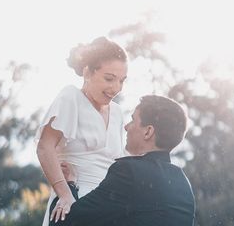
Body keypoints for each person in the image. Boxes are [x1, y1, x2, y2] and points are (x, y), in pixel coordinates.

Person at [50, 95, 195, 226]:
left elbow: (66, 223)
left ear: (148, 132)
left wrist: (70, 185)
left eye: (133, 120)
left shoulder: (129, 172)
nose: (126, 127)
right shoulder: (183, 183)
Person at [36, 37, 129, 226]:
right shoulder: (71, 98)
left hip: (109, 209)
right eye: (109, 78)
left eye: (122, 81)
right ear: (87, 72)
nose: (116, 88)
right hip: (73, 202)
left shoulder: (118, 113)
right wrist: (65, 194)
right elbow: (45, 147)